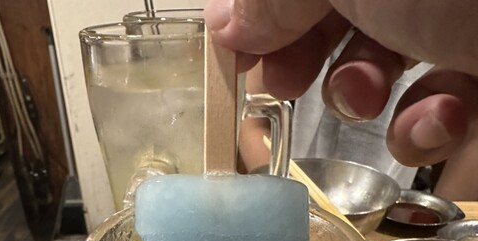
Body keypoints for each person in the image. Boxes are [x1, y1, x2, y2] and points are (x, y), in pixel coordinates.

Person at [204, 0, 478, 173]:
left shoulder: (436, 45)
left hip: (393, 204)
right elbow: (253, 123)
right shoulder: (292, 33)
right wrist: (284, 190)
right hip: (296, 183)